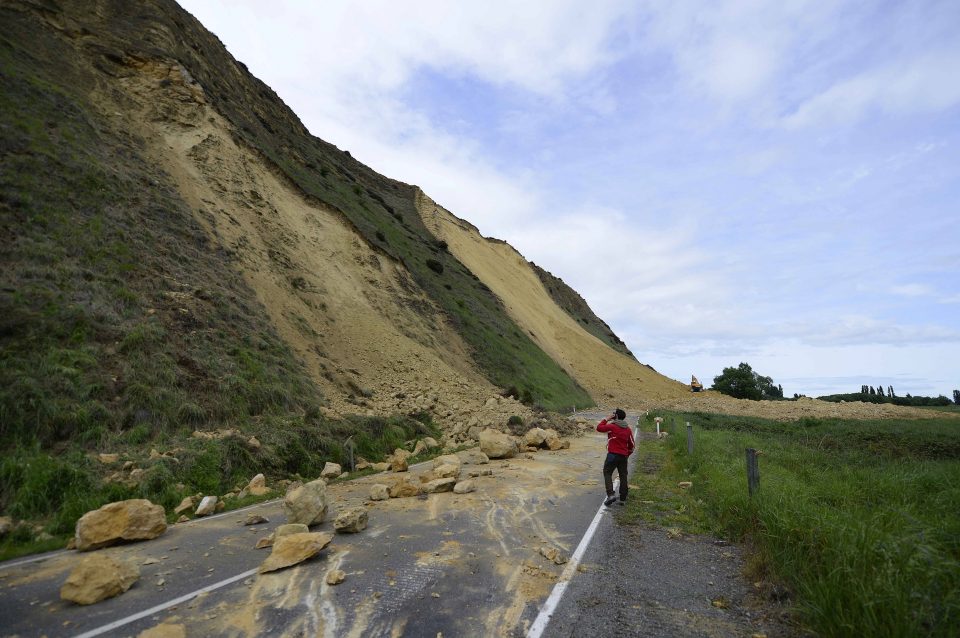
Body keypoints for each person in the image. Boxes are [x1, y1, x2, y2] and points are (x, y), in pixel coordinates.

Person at [597, 408, 635, 506]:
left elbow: (599, 428)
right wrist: (627, 455)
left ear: (616, 416)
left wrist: (607, 418)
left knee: (607, 473)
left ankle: (611, 495)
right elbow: (632, 445)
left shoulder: (612, 426)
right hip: (623, 456)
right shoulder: (628, 429)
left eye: (614, 414)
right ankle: (623, 498)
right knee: (623, 475)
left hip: (612, 455)